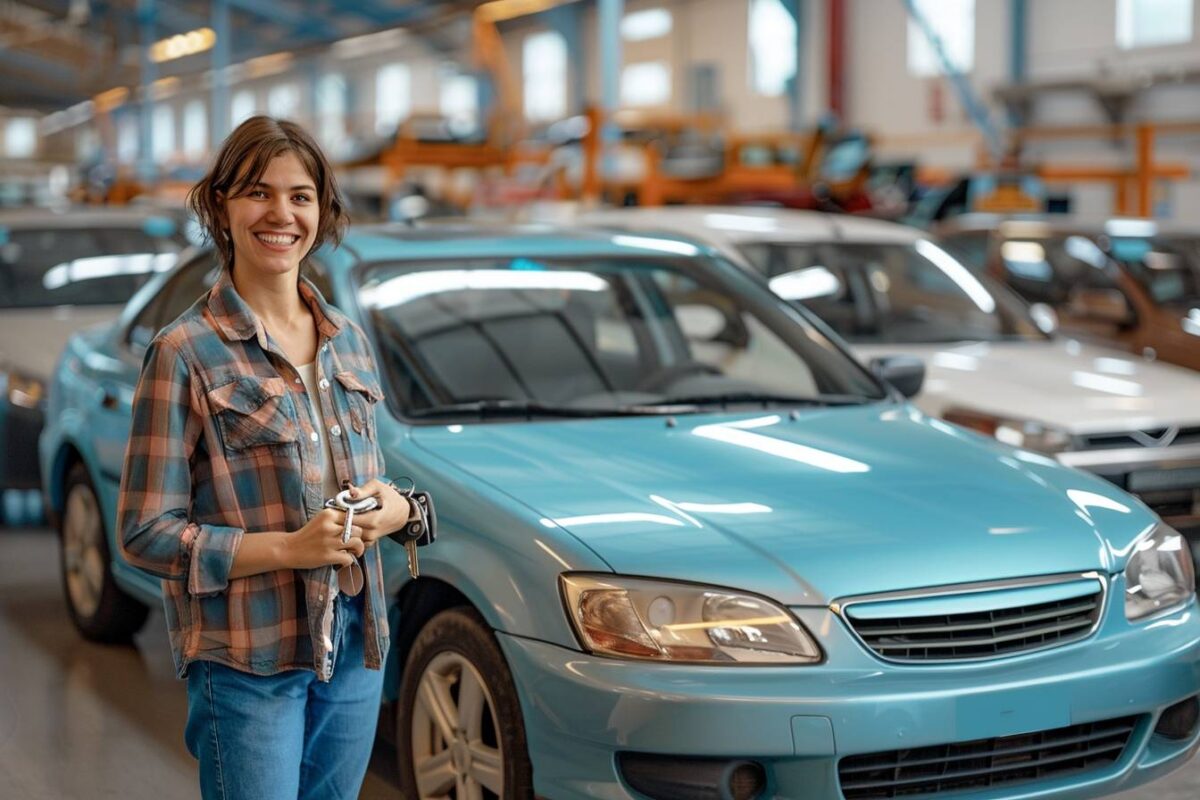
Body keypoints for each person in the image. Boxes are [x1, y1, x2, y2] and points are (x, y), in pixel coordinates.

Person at [116, 115, 412, 800]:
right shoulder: (183, 352)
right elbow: (144, 533)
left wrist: (395, 507)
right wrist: (287, 549)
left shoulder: (350, 343)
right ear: (221, 205)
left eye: (300, 195)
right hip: (249, 658)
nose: (281, 213)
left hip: (356, 643)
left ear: (322, 210)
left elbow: (371, 478)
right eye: (258, 192)